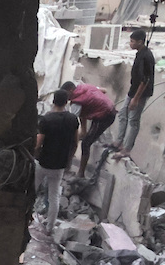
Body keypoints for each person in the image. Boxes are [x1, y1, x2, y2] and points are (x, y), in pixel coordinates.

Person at [35, 90, 79, 230]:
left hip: (43, 162)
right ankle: (50, 227)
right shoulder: (73, 120)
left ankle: (26, 220)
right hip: (59, 165)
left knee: (31, 191)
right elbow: (75, 143)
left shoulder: (46, 120)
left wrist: (34, 155)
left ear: (53, 101)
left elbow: (38, 143)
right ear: (67, 102)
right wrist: (69, 160)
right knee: (54, 196)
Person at [113, 29, 155, 158]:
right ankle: (119, 142)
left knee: (133, 120)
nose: (130, 43)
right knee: (122, 114)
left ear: (140, 42)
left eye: (132, 41)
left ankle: (126, 148)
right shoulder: (139, 53)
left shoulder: (146, 56)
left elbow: (145, 80)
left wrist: (136, 99)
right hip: (133, 90)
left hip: (140, 93)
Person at [61, 81, 115, 178]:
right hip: (109, 108)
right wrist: (83, 130)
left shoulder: (76, 103)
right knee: (87, 136)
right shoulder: (84, 87)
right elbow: (104, 90)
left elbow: (72, 121)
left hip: (105, 115)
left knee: (86, 143)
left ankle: (81, 174)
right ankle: (85, 131)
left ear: (71, 90)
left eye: (66, 94)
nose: (66, 97)